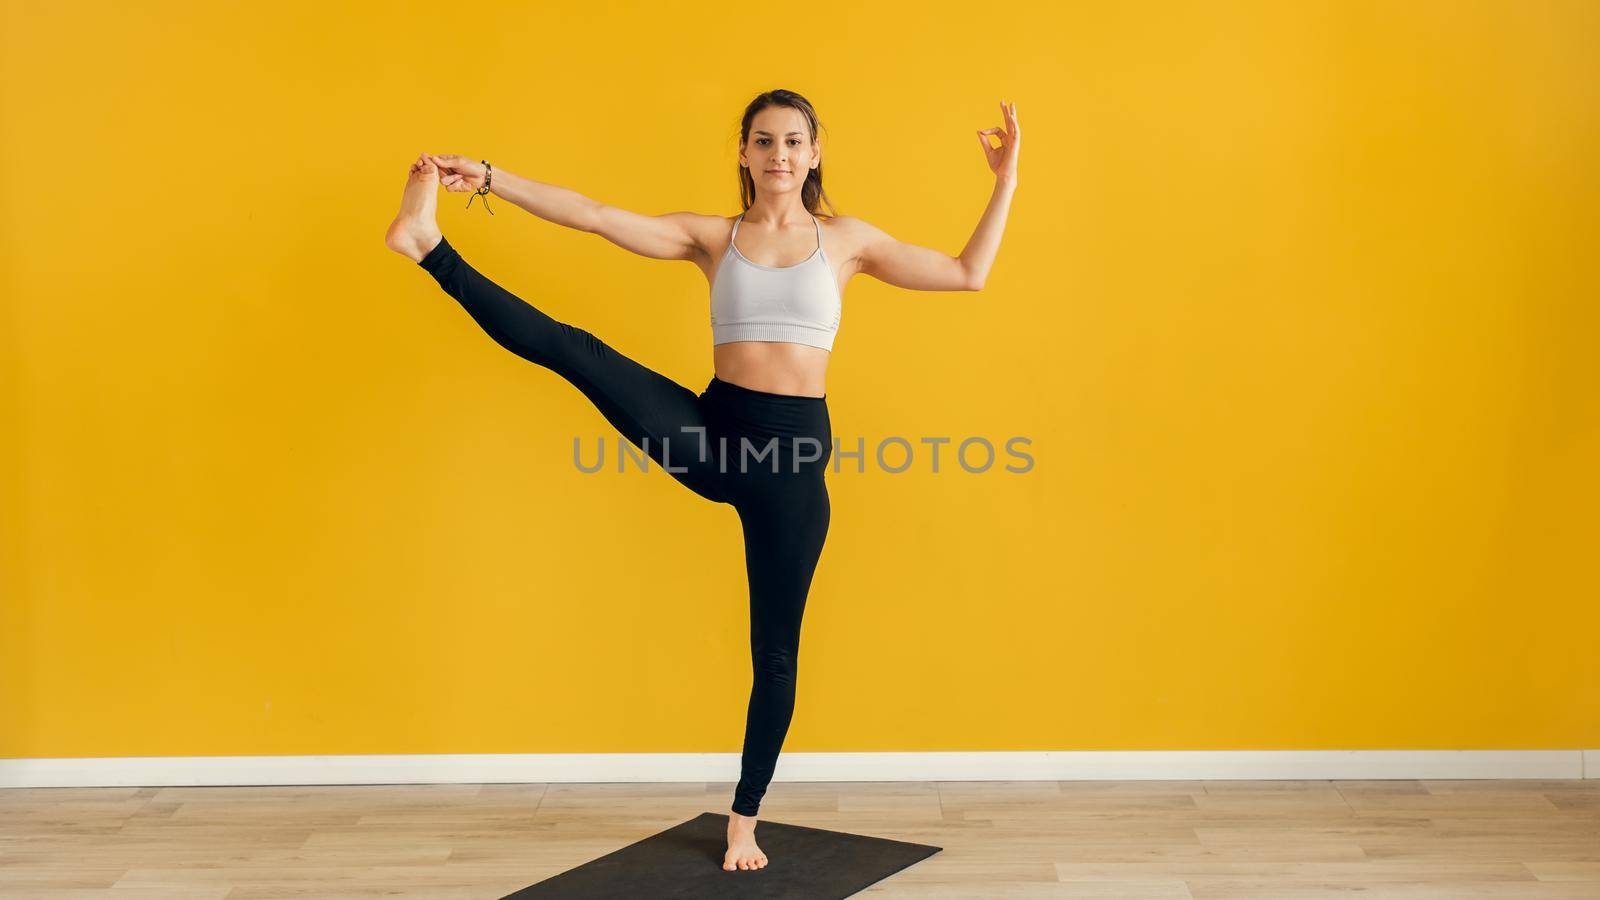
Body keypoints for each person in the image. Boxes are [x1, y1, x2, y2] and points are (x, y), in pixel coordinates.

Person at [384, 89, 1020, 873]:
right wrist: (486, 176)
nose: (779, 155)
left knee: (776, 654)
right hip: (714, 437)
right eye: (763, 142)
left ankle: (745, 818)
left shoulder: (847, 241)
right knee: (575, 352)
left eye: (793, 141)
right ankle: (427, 245)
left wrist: (1005, 179)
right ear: (745, 156)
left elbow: (968, 273)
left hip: (789, 471)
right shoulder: (712, 238)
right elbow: (589, 213)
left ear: (815, 153)